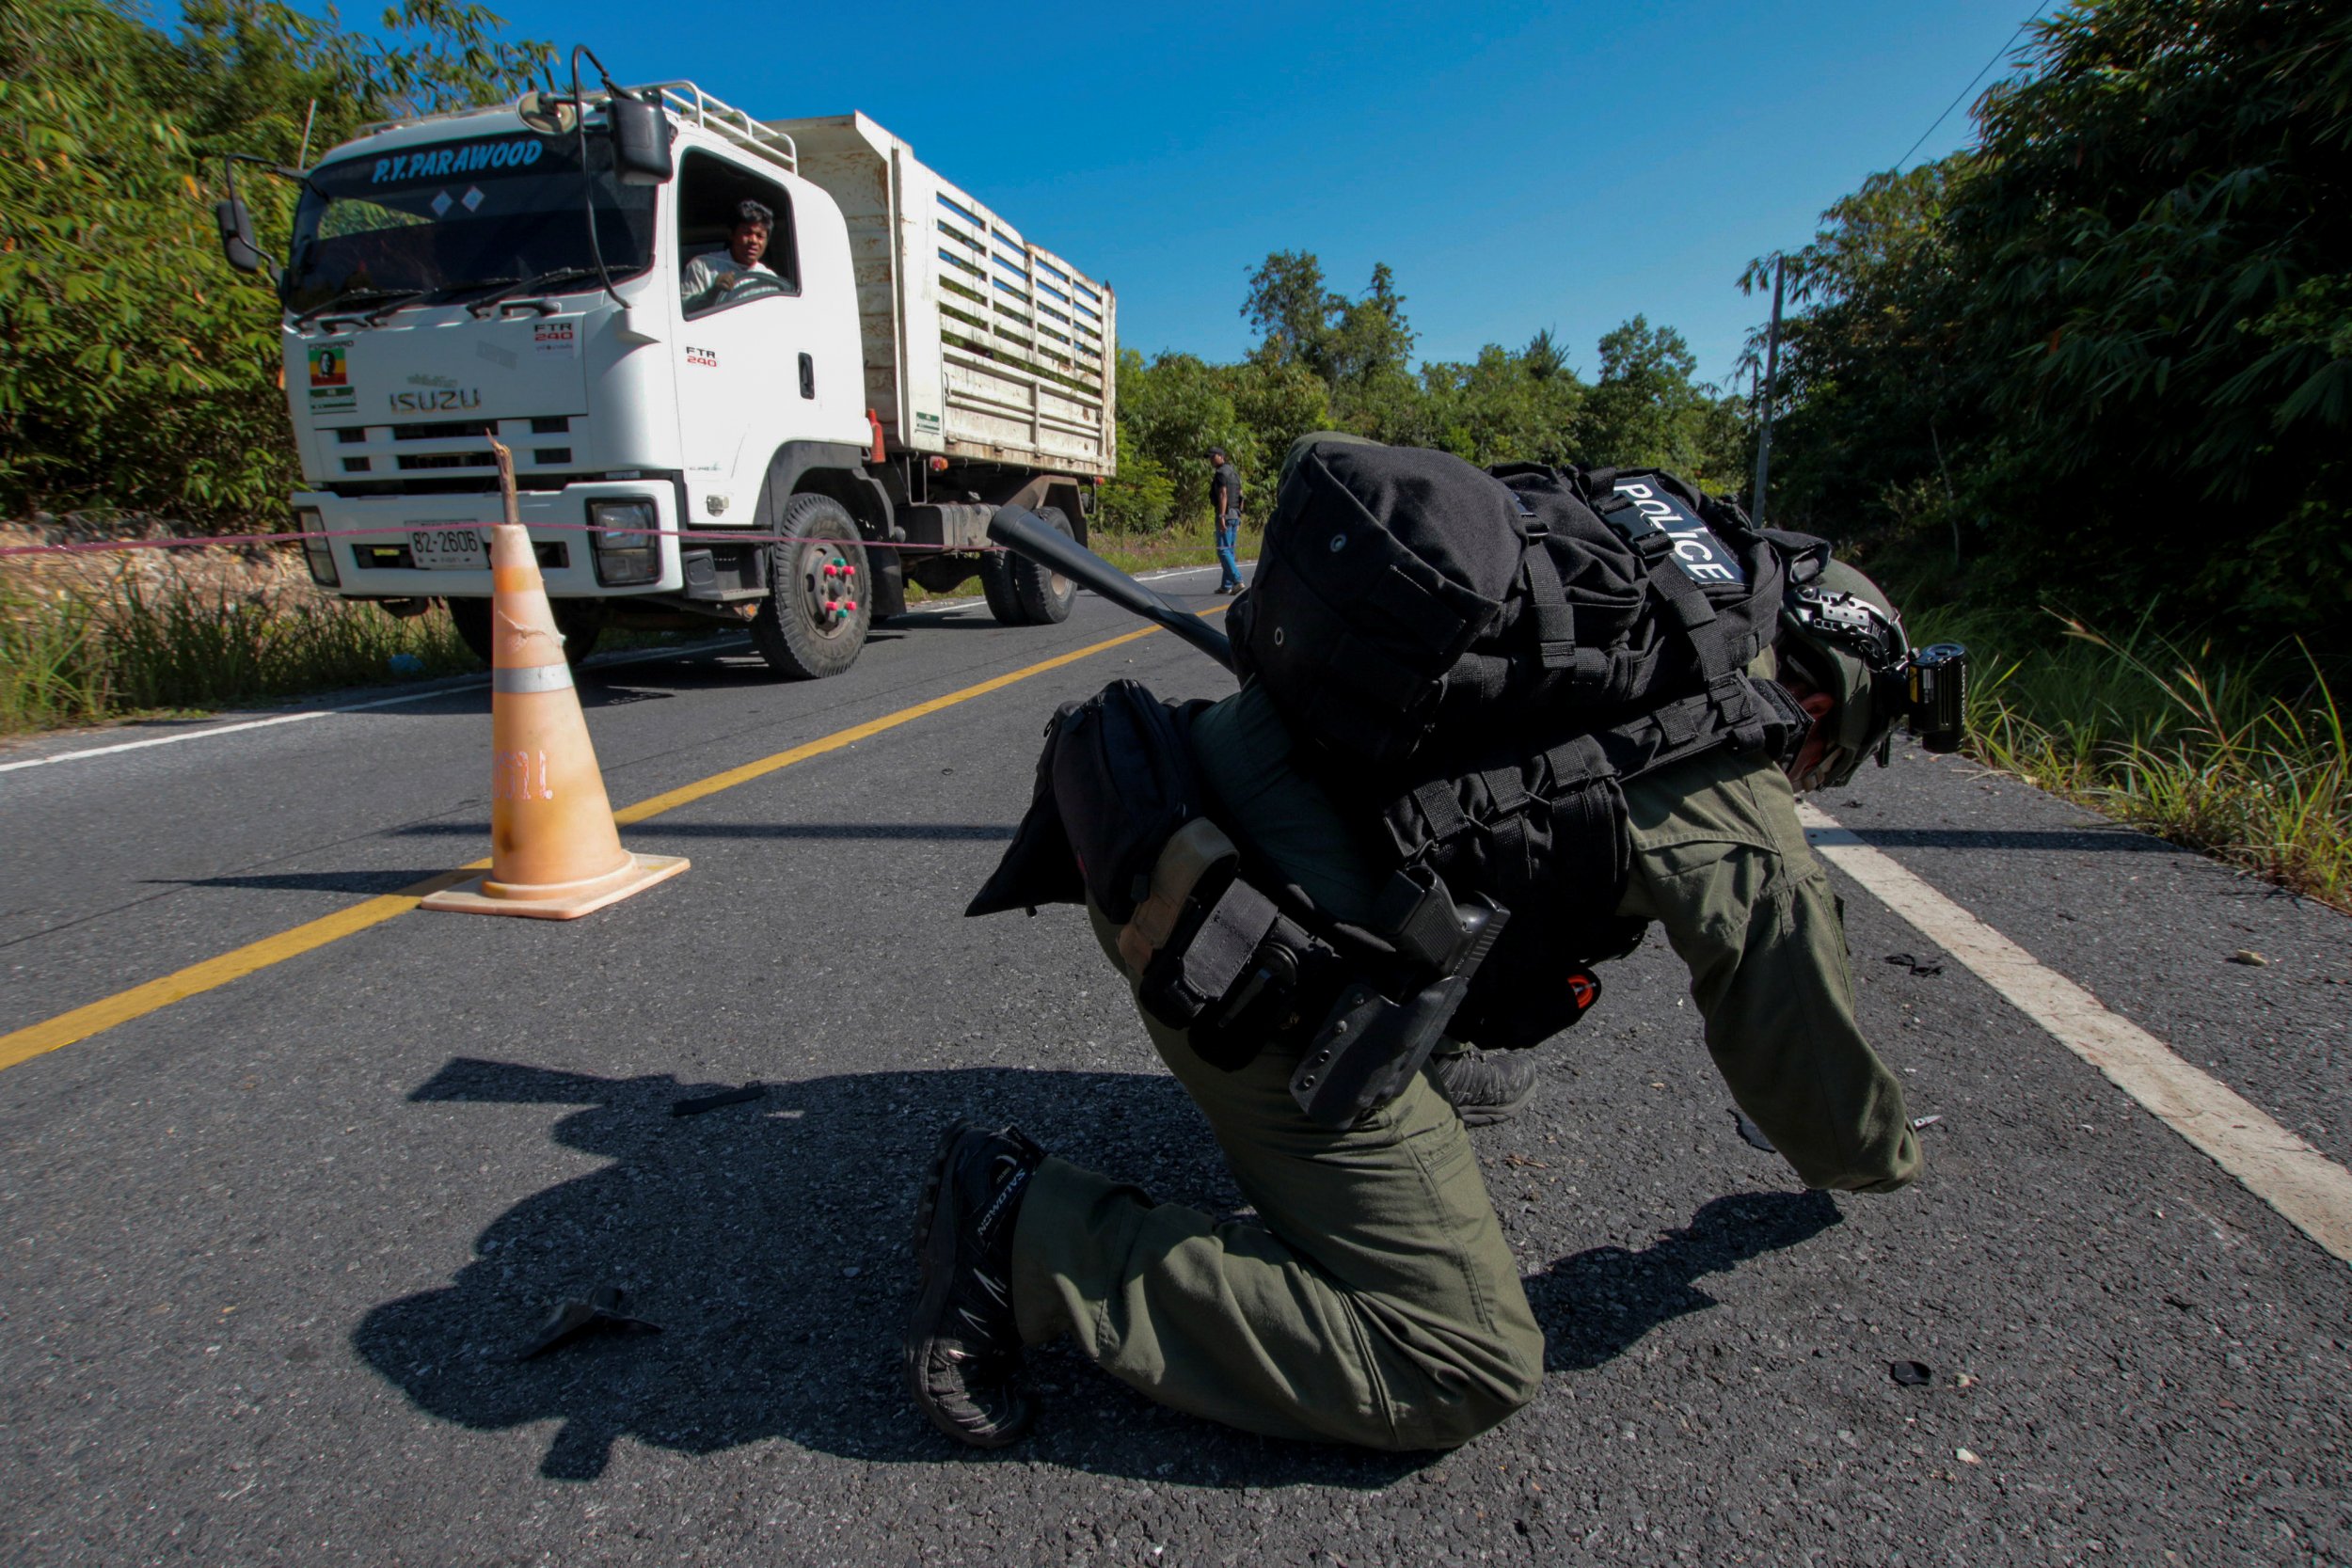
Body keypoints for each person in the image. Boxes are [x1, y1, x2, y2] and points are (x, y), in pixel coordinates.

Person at [904, 446, 1923, 1454]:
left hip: (1147, 804)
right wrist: (1884, 1158)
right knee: (1458, 1360)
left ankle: (1414, 1069)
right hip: (1234, 951)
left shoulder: (1616, 594)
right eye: (1824, 757)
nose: (1808, 773)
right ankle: (1027, 1232)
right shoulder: (1735, 782)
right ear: (1822, 702)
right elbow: (1816, 1094)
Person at [680, 199, 776, 311]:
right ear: (731, 234)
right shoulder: (702, 267)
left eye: (760, 236)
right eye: (747, 233)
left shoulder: (770, 279)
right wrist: (712, 293)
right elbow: (683, 310)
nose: (753, 240)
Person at [1207, 447, 1244, 594]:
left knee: (1223, 550)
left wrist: (1222, 516)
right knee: (1230, 550)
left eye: (1213, 456)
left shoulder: (1221, 473)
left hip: (1226, 514)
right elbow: (1241, 495)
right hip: (1235, 514)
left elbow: (1223, 494)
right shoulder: (1234, 473)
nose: (1210, 459)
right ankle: (1226, 585)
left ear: (1221, 456)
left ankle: (1237, 580)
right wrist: (1240, 515)